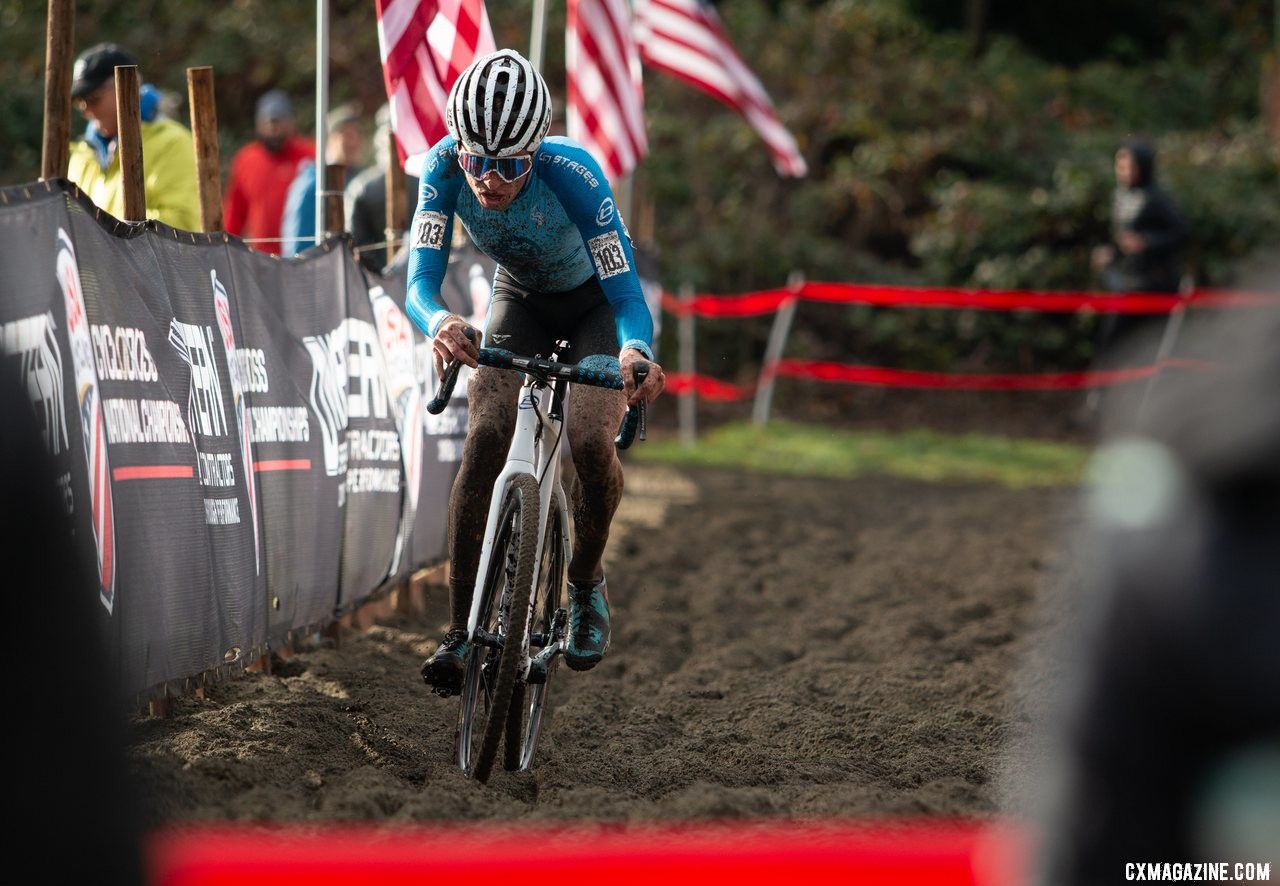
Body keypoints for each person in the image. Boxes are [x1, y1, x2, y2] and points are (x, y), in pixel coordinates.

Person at [405, 49, 666, 692]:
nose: (489, 180)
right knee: (486, 436)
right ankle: (462, 631)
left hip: (595, 308)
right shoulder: (441, 169)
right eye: (477, 162)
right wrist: (440, 323)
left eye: (510, 165)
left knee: (586, 438)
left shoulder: (574, 175)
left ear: (537, 153)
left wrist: (634, 354)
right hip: (519, 297)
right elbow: (420, 283)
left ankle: (583, 583)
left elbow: (629, 297)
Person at [66, 42, 201, 231]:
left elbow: (182, 223)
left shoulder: (173, 143)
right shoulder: (82, 154)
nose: (86, 111)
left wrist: (104, 235)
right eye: (80, 102)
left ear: (128, 87)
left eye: (93, 99)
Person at [1089, 138, 1190, 363]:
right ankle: (1103, 392)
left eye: (1129, 167)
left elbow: (1182, 233)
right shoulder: (1119, 196)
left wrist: (1147, 242)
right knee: (1110, 341)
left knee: (1148, 346)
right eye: (1120, 166)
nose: (1123, 172)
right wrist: (1110, 253)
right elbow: (1122, 238)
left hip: (1155, 284)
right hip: (1128, 281)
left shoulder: (1158, 198)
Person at [223, 89, 315, 255]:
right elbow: (235, 212)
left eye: (278, 121)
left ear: (292, 121)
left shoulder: (309, 155)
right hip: (260, 259)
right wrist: (225, 249)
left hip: (303, 257)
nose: (273, 127)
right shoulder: (246, 159)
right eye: (268, 122)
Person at [280, 104, 368, 256]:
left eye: (357, 134)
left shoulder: (362, 182)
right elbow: (297, 248)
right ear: (329, 141)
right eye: (346, 134)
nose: (353, 142)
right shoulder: (311, 185)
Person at [345, 104, 420, 273]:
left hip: (382, 280)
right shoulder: (362, 187)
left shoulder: (361, 186)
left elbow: (353, 248)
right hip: (410, 276)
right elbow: (356, 245)